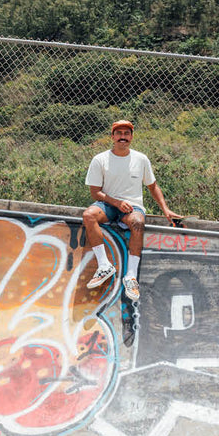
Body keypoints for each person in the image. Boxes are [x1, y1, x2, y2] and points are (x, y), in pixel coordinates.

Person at [83, 119, 179, 301]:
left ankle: (131, 276)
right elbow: (95, 192)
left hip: (132, 207)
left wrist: (166, 209)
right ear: (112, 137)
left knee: (138, 222)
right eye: (118, 134)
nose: (122, 137)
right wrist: (116, 203)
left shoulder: (141, 159)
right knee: (88, 215)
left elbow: (153, 186)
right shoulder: (100, 159)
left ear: (132, 137)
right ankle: (104, 265)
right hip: (108, 205)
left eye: (126, 134)